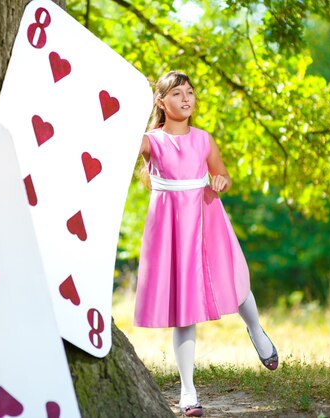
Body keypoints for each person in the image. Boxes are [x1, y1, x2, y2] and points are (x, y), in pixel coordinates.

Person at [134, 71, 278, 417]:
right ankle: (188, 391)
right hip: (171, 226)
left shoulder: (203, 139)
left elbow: (221, 174)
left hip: (206, 216)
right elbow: (115, 143)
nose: (186, 99)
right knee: (184, 308)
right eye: (177, 94)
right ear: (160, 102)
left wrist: (220, 180)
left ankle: (256, 330)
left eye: (190, 93)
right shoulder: (150, 141)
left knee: (234, 280)